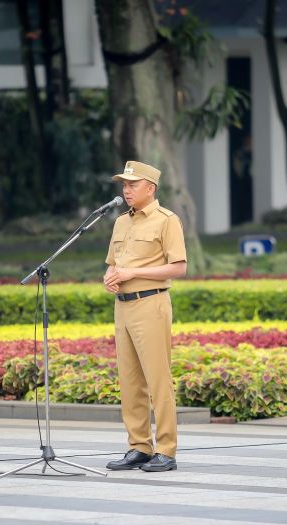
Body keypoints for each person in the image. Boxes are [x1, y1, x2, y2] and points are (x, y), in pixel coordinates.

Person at [103, 161, 187, 473]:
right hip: (122, 307)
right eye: (124, 185)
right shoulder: (121, 223)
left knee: (157, 379)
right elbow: (114, 264)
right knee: (130, 380)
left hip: (151, 304)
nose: (126, 190)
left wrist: (133, 272)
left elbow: (179, 267)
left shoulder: (168, 221)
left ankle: (165, 450)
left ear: (150, 189)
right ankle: (139, 446)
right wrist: (109, 277)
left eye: (132, 185)